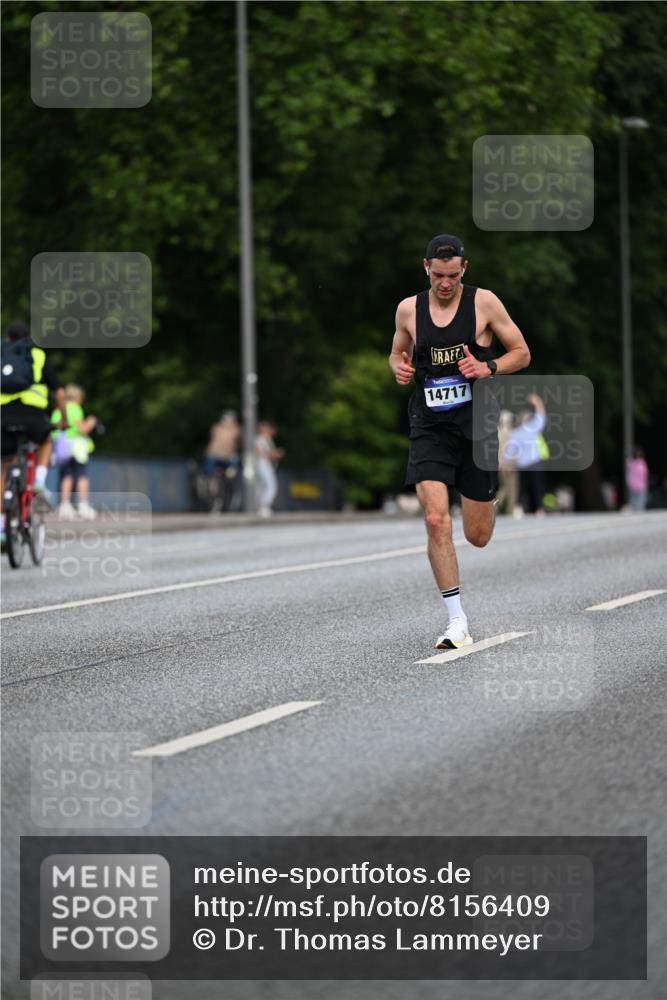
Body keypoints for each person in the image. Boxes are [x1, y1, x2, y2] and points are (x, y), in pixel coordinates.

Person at [389, 234, 530, 649]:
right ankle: (456, 621)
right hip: (430, 426)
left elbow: (521, 352)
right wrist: (397, 368)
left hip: (476, 426)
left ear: (463, 270)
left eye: (452, 275)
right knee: (435, 520)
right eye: (438, 275)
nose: (445, 283)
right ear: (426, 267)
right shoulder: (408, 310)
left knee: (478, 536)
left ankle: (487, 500)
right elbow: (397, 353)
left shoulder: (484, 303)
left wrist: (489, 368)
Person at [1, 320, 67, 543]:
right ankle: (38, 479)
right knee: (46, 439)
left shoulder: (2, 353)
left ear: (8, 338)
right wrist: (63, 419)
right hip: (32, 415)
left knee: (4, 466)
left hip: (3, 415)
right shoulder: (37, 354)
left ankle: (1, 527)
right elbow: (58, 392)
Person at [51, 384, 98, 520]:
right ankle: (83, 505)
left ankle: (64, 505)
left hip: (61, 447)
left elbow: (54, 430)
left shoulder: (57, 410)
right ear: (77, 398)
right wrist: (91, 422)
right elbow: (82, 428)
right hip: (76, 446)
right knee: (81, 475)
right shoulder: (75, 408)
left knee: (66, 475)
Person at [506, 393, 547, 515]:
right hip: (534, 462)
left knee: (522, 487)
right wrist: (538, 402)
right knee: (537, 486)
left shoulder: (516, 432)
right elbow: (541, 416)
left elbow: (510, 450)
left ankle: (519, 507)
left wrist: (508, 464)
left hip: (523, 463)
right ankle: (539, 509)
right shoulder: (533, 427)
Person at [255, 421, 284, 517]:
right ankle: (263, 506)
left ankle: (261, 507)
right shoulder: (260, 439)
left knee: (263, 486)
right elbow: (261, 452)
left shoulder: (267, 440)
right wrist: (275, 454)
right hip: (262, 465)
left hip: (265, 465)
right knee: (271, 485)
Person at [496, 410, 519, 516]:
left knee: (505, 487)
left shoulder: (498, 431)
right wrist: (508, 464)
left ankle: (507, 508)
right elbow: (506, 450)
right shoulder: (506, 433)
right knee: (511, 487)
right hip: (507, 464)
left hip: (502, 464)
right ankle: (508, 508)